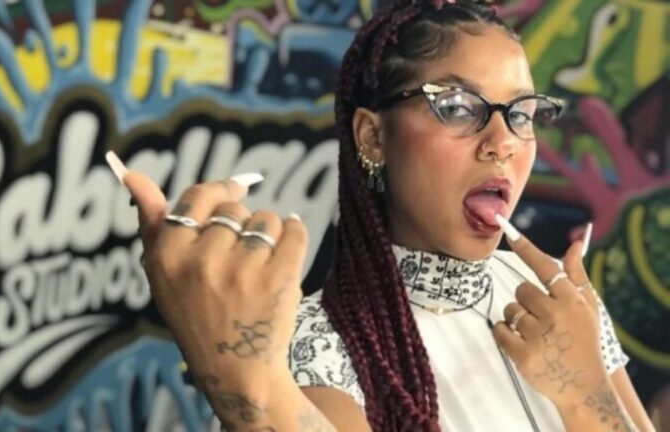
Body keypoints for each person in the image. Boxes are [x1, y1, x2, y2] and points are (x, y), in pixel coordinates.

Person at [106, 0, 655, 430]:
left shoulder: (563, 303)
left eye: (522, 113)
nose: (503, 142)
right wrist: (249, 388)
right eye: (457, 107)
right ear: (373, 136)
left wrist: (589, 394)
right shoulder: (320, 347)